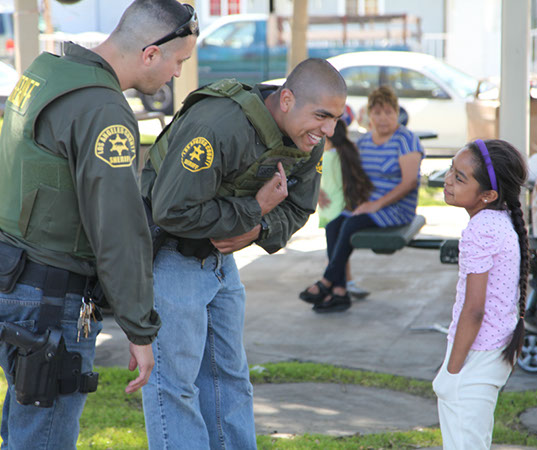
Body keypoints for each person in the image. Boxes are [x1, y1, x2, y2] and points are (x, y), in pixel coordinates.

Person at [0, 1, 198, 448]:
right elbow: (118, 229)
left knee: (24, 435)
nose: (177, 74)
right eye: (179, 62)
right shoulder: (105, 111)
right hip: (48, 302)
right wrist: (139, 329)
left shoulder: (49, 71)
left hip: (5, 281)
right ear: (151, 54)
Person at [140, 58, 347, 449]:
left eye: (335, 119)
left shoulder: (307, 139)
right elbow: (171, 210)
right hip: (171, 257)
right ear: (286, 99)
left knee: (230, 380)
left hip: (220, 263)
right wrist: (253, 211)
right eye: (322, 115)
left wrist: (257, 228)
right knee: (175, 386)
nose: (328, 130)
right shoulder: (219, 123)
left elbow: (298, 207)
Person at [432, 139, 529, 449]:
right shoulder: (499, 220)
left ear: (488, 195)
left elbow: (474, 310)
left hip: (475, 357)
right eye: (451, 170)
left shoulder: (481, 229)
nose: (448, 180)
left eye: (460, 178)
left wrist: (451, 372)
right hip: (492, 351)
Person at [299, 85, 424, 312]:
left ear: (397, 113)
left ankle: (328, 281)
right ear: (369, 115)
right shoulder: (365, 142)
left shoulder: (406, 140)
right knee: (334, 223)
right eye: (377, 113)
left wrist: (375, 204)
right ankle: (339, 292)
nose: (383, 118)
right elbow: (347, 171)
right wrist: (324, 193)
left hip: (396, 208)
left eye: (389, 112)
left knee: (349, 225)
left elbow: (410, 182)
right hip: (366, 205)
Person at [317, 117, 374, 299]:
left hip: (329, 212)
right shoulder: (345, 153)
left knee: (333, 253)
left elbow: (317, 182)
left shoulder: (326, 157)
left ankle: (335, 288)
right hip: (343, 208)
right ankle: (346, 283)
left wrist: (317, 193)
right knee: (339, 252)